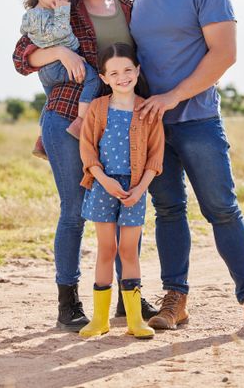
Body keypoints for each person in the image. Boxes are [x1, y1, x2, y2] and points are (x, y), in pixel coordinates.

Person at [122, 0, 244, 336]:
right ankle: (176, 300)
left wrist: (173, 96)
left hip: (198, 121)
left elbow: (224, 53)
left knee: (222, 209)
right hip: (155, 128)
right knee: (169, 211)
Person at [13, 0, 157, 332]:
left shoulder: (130, 8)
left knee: (124, 205)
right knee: (74, 210)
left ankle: (130, 298)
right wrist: (61, 53)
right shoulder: (63, 5)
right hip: (66, 117)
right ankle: (68, 302)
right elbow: (21, 56)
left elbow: (145, 59)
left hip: (120, 123)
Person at [78, 43, 164, 339]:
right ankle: (99, 319)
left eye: (128, 69)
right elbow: (87, 148)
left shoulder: (148, 109)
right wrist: (104, 179)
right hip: (104, 186)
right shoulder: (99, 109)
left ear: (137, 71)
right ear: (103, 77)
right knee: (107, 249)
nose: (122, 76)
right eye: (114, 72)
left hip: (134, 190)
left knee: (129, 250)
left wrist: (140, 188)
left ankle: (134, 319)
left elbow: (155, 155)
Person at [21, 0, 100, 158]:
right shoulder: (39, 15)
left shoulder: (43, 13)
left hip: (49, 71)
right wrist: (63, 12)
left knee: (50, 101)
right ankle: (81, 122)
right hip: (55, 66)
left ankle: (41, 140)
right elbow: (57, 34)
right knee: (92, 78)